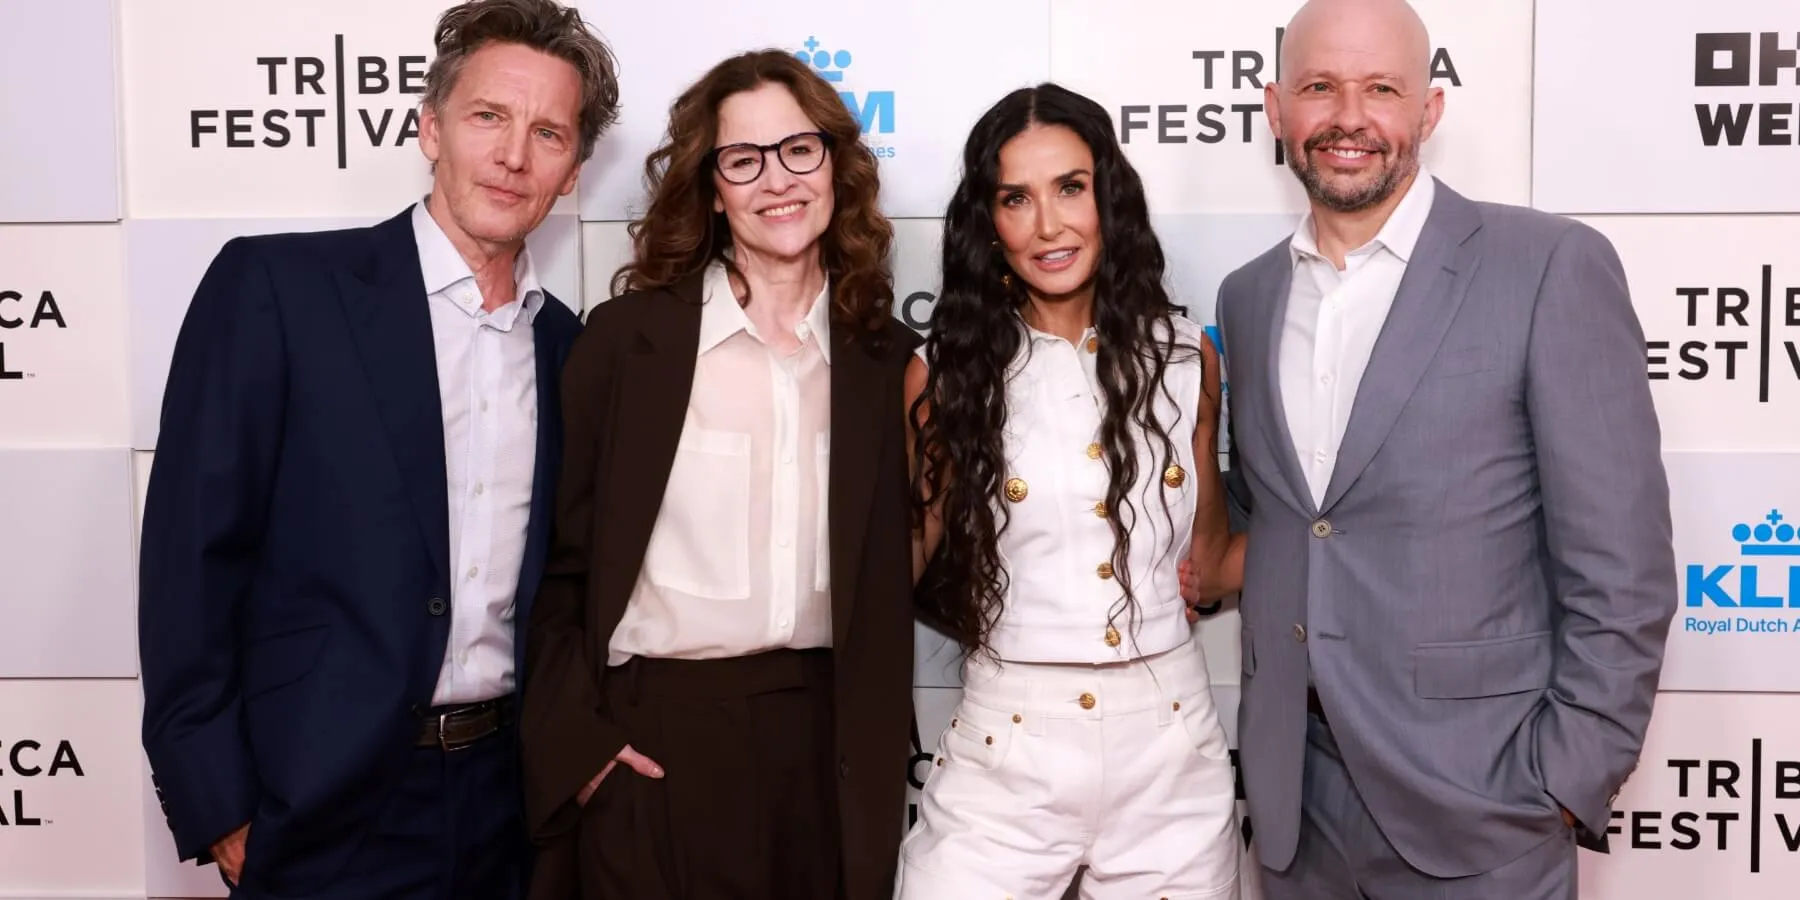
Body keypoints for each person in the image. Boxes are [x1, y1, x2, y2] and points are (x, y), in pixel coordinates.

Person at [136, 2, 619, 896]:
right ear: (430, 128)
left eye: (547, 132)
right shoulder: (279, 291)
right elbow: (190, 563)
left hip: (509, 812)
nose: (514, 154)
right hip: (318, 809)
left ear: (574, 171)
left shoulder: (574, 350)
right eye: (489, 117)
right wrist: (223, 810)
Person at [1210, 0, 1677, 896]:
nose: (1350, 116)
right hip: (1294, 812)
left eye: (1381, 88)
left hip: (1485, 809)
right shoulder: (1249, 297)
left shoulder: (1547, 267)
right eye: (1319, 87)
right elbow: (1279, 518)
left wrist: (1566, 781)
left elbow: (1623, 567)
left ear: (1428, 111)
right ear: (1275, 109)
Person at [516, 49, 920, 900]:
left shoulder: (886, 361)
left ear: (837, 169)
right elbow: (558, 569)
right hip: (658, 749)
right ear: (711, 188)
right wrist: (585, 754)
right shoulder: (625, 347)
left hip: (830, 749)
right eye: (743, 160)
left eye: (798, 151)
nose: (776, 180)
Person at [897, 82, 1244, 900]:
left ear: (1108, 198)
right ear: (989, 223)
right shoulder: (943, 376)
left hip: (1172, 751)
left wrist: (1338, 529)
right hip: (1003, 746)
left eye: (1071, 189)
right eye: (1016, 198)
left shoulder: (1189, 358)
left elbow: (1210, 557)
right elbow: (901, 564)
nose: (1049, 226)